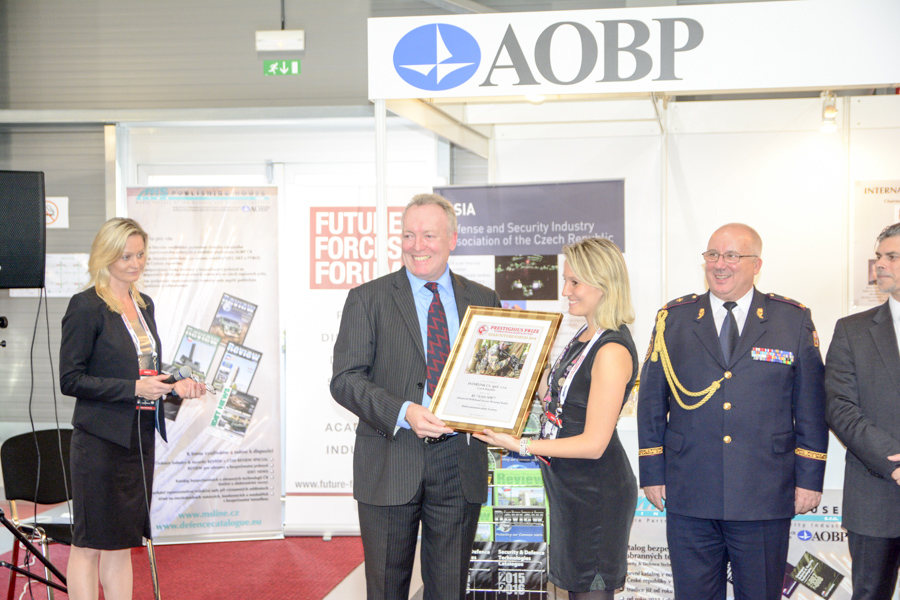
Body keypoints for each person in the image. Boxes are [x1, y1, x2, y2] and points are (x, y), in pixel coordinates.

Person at [637, 223, 829, 600]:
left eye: (731, 256)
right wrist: (652, 471)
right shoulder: (673, 319)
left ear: (757, 264)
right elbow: (652, 403)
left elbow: (811, 405)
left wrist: (809, 478)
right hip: (690, 490)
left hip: (764, 492)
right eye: (712, 255)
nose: (719, 264)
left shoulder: (791, 319)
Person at [330, 193, 501, 600]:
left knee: (449, 591)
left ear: (452, 239)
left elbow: (495, 378)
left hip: (459, 463)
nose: (417, 245)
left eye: (428, 235)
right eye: (408, 235)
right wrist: (404, 411)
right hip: (391, 459)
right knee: (387, 590)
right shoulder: (368, 298)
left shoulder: (484, 300)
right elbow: (344, 380)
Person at [474, 237, 639, 600]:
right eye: (566, 280)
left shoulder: (611, 349)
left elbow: (594, 444)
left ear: (603, 284)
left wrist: (520, 445)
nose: (565, 291)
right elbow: (555, 399)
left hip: (596, 494)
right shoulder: (585, 335)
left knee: (590, 591)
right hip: (570, 491)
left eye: (574, 282)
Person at [59, 218, 205, 600]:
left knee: (122, 543)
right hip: (99, 441)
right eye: (126, 256)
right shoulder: (85, 306)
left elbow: (144, 370)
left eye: (140, 255)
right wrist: (134, 388)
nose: (135, 263)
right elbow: (70, 380)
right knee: (89, 545)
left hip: (138, 439)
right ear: (106, 256)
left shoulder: (143, 304)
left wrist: (175, 384)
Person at [826, 222, 900, 600]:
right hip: (875, 497)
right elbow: (839, 407)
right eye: (878, 257)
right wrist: (894, 461)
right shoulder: (852, 331)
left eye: (892, 257)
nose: (880, 265)